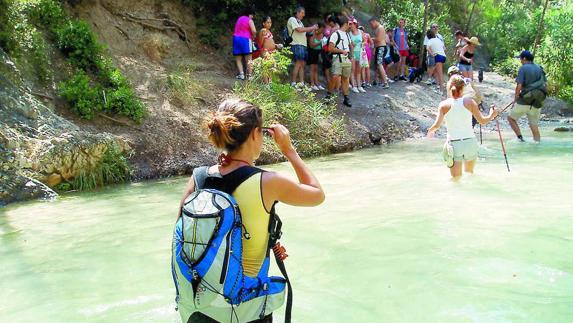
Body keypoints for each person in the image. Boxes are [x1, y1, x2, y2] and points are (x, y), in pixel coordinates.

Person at [179, 98, 325, 322]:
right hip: (243, 309)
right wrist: (289, 150)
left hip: (199, 307)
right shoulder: (266, 182)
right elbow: (317, 195)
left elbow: (185, 235)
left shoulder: (198, 177)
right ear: (256, 134)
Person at [427, 75, 498, 178]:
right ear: (463, 89)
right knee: (470, 176)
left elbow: (437, 125)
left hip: (454, 145)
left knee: (456, 180)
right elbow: (482, 121)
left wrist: (430, 130)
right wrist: (492, 114)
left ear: (449, 87)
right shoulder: (470, 102)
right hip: (470, 143)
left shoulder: (443, 105)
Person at [508, 50, 547, 142]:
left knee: (511, 118)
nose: (520, 61)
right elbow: (545, 85)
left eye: (520, 59)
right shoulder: (539, 68)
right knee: (534, 126)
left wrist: (515, 98)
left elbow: (519, 85)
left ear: (524, 58)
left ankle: (521, 139)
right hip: (537, 102)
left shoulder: (523, 68)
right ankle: (537, 145)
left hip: (524, 100)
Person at [288, 6, 318, 89]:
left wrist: (312, 30)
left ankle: (301, 82)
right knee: (298, 63)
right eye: (302, 13)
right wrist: (312, 27)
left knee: (302, 64)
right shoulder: (292, 19)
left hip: (303, 45)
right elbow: (299, 30)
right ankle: (293, 83)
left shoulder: (300, 22)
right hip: (296, 44)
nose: (303, 15)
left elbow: (303, 32)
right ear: (297, 12)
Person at [326, 15, 353, 107]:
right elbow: (330, 48)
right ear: (345, 24)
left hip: (346, 59)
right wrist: (341, 51)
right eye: (349, 23)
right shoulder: (335, 34)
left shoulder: (347, 34)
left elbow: (350, 46)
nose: (350, 25)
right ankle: (328, 96)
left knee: (345, 78)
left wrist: (351, 57)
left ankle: (346, 98)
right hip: (337, 58)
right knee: (335, 76)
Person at [232, 7, 257, 80]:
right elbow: (254, 31)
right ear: (249, 14)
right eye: (252, 15)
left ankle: (241, 74)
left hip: (236, 39)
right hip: (245, 39)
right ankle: (249, 76)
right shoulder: (250, 20)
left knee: (238, 58)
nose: (252, 17)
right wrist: (254, 36)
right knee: (249, 59)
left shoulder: (239, 19)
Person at [368, 17, 390, 88]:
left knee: (379, 64)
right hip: (378, 48)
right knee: (378, 65)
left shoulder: (380, 28)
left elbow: (379, 39)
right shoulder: (376, 29)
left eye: (371, 24)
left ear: (374, 21)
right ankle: (378, 80)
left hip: (381, 48)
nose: (371, 26)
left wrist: (370, 39)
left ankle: (385, 82)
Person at [348, 18, 365, 93]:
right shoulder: (349, 33)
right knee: (353, 70)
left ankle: (359, 86)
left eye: (351, 24)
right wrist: (351, 45)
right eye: (349, 24)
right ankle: (354, 86)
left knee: (359, 71)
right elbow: (348, 44)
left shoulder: (360, 32)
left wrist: (362, 44)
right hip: (353, 53)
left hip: (360, 53)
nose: (350, 25)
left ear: (355, 24)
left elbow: (365, 40)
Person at [322, 14, 339, 87]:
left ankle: (331, 83)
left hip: (330, 49)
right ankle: (335, 84)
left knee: (329, 66)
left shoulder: (334, 28)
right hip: (337, 49)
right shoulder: (339, 27)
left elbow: (331, 40)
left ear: (332, 21)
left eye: (330, 22)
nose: (329, 23)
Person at [307, 22, 325, 91]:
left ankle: (317, 83)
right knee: (312, 68)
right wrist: (320, 42)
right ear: (319, 28)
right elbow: (311, 45)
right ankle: (312, 84)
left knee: (316, 69)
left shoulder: (321, 34)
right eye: (322, 29)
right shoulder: (312, 33)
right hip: (312, 52)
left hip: (318, 53)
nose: (322, 31)